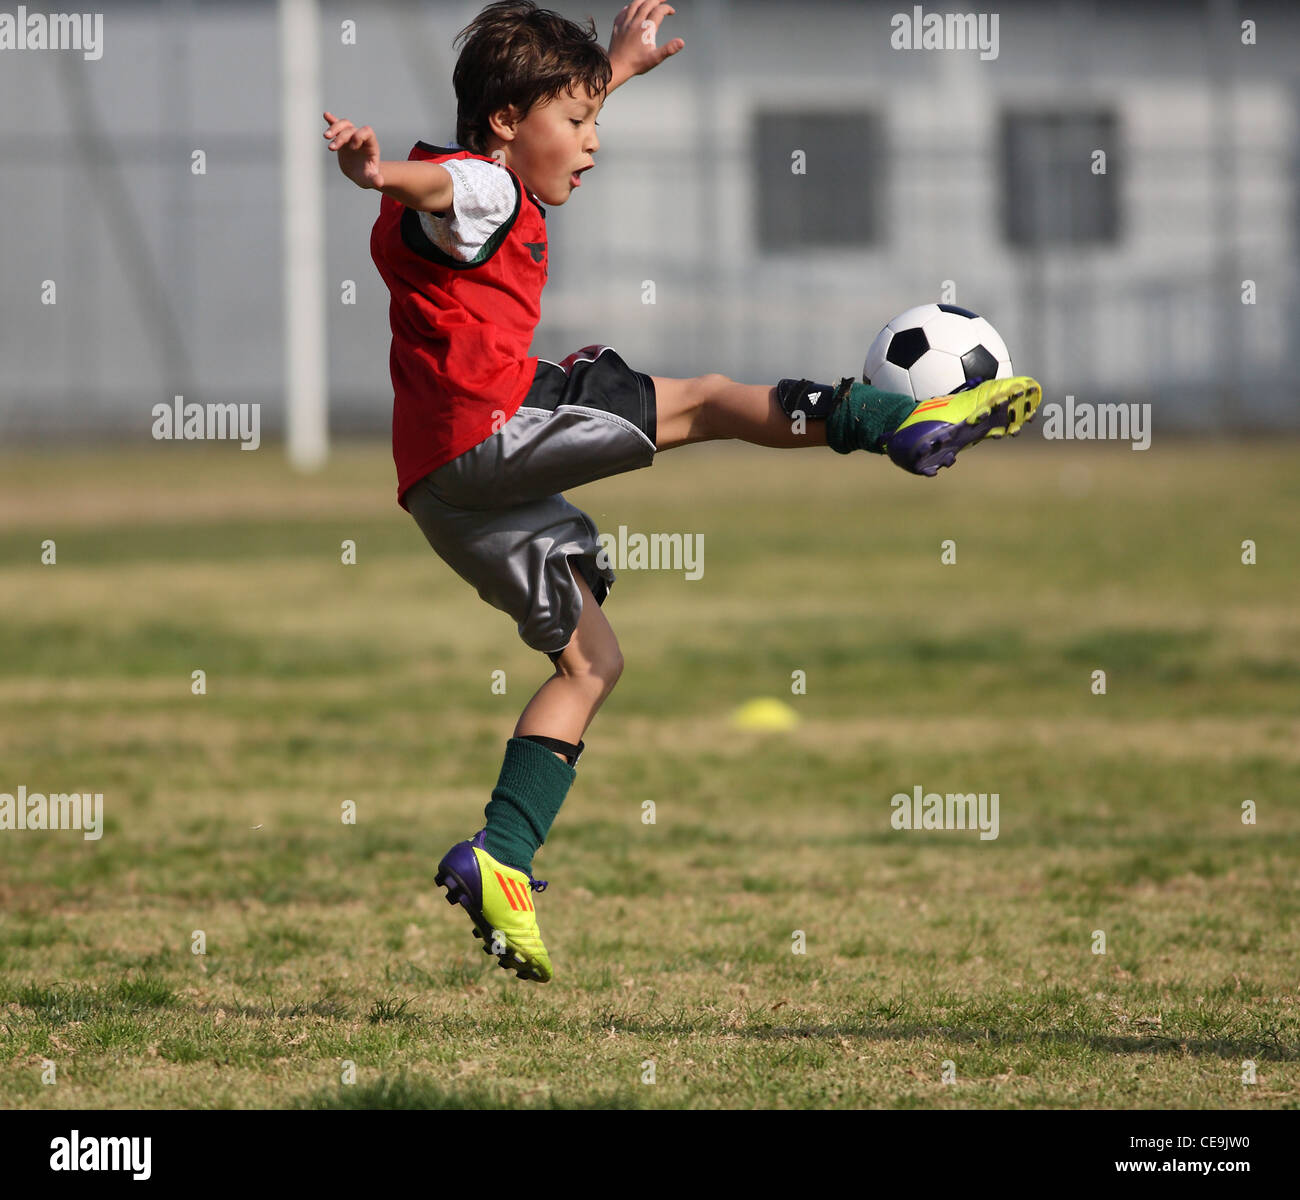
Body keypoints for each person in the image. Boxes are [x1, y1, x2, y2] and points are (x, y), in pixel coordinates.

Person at [324, 0, 1041, 982]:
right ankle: (893, 419)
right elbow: (442, 184)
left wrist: (610, 69)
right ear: (505, 122)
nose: (592, 145)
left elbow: (480, 148)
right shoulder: (483, 185)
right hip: (492, 429)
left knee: (591, 665)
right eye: (577, 126)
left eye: (594, 121)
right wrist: (376, 175)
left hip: (445, 488)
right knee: (702, 401)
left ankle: (500, 859)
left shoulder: (494, 156)